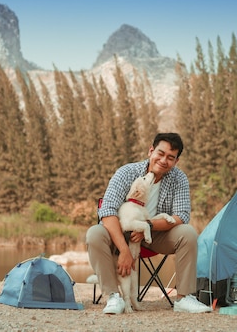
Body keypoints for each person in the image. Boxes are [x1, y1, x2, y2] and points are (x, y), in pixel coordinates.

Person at [86, 132, 212, 314]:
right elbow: (107, 212)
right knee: (94, 233)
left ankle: (184, 298)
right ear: (151, 151)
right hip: (123, 231)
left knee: (188, 233)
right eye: (160, 154)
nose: (163, 160)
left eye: (170, 157)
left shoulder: (179, 179)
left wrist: (150, 226)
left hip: (157, 234)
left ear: (176, 161)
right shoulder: (126, 173)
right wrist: (124, 250)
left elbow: (181, 216)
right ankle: (114, 297)